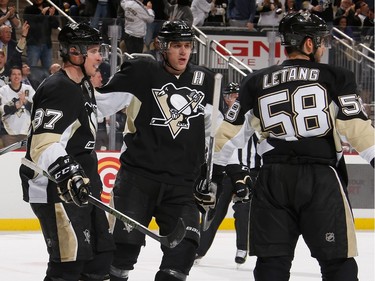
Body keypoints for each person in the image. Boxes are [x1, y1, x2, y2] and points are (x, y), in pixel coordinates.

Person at [210, 11, 374, 281]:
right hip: (320, 179)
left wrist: (212, 176)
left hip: (273, 181)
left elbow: (226, 135)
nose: (322, 46)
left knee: (271, 264)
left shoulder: (254, 82)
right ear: (308, 44)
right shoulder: (336, 77)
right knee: (337, 263)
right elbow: (356, 129)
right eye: (320, 41)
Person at [96, 20, 217, 281]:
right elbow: (99, 105)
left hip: (183, 184)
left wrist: (211, 174)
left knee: (183, 253)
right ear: (163, 47)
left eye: (187, 46)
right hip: (138, 179)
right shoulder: (141, 71)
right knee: (121, 253)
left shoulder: (203, 79)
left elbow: (212, 133)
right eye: (177, 46)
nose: (184, 52)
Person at [18, 22, 115, 281]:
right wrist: (68, 171)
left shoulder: (83, 85)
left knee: (99, 263)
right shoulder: (58, 88)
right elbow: (43, 144)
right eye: (94, 50)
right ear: (75, 52)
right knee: (68, 267)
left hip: (82, 184)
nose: (100, 56)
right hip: (55, 187)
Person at [195, 82, 260, 266]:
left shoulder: (251, 117)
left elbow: (261, 145)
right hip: (225, 172)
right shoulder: (220, 120)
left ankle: (242, 248)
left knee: (243, 210)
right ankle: (198, 249)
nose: (236, 99)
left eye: (238, 95)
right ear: (225, 98)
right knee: (213, 211)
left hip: (247, 173)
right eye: (232, 96)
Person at [0, 66, 35, 147]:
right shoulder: (3, 90)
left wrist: (25, 102)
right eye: (14, 74)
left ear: (22, 77)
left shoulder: (28, 89)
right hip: (8, 133)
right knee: (10, 157)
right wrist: (15, 106)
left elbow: (36, 107)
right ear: (9, 77)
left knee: (24, 158)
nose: (17, 76)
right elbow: (1, 110)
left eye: (19, 74)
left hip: (26, 132)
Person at [23, 0, 60, 71]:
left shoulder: (48, 9)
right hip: (33, 44)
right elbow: (30, 24)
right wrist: (42, 14)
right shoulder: (29, 9)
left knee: (48, 70)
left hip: (47, 44)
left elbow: (56, 25)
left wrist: (52, 16)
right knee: (31, 69)